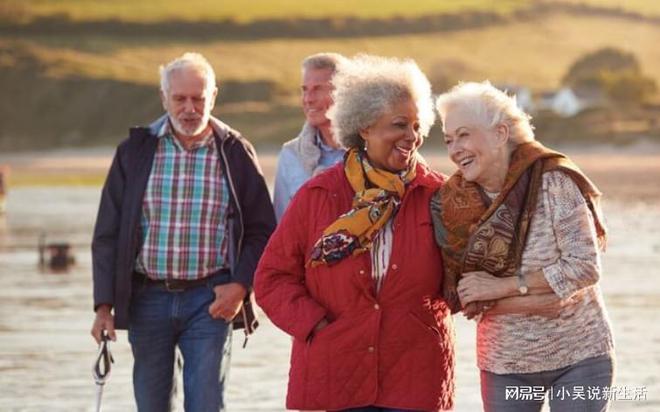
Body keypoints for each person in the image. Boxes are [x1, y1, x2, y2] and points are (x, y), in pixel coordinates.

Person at [254, 54, 455, 412]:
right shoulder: (317, 195)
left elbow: (466, 277)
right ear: (364, 127)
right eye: (398, 125)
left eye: (416, 125)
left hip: (415, 374)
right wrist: (315, 325)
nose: (412, 137)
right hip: (333, 371)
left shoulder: (438, 195)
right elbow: (272, 278)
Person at [90, 52, 276, 411]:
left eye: (198, 98)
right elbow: (107, 234)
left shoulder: (236, 152)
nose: (189, 108)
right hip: (147, 300)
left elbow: (261, 231)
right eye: (180, 98)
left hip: (211, 301)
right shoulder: (135, 151)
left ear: (213, 97)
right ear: (164, 98)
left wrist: (240, 286)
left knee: (206, 403)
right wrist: (103, 306)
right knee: (152, 404)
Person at [432, 81, 615, 412]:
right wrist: (543, 297)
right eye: (448, 140)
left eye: (464, 134)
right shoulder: (450, 204)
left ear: (501, 133)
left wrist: (503, 288)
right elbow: (466, 296)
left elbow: (584, 266)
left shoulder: (553, 181)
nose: (455, 148)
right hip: (505, 366)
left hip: (580, 357)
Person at [273, 52, 347, 221]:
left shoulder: (374, 151)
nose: (308, 99)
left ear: (344, 94)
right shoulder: (290, 154)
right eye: (305, 90)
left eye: (318, 89)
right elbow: (282, 229)